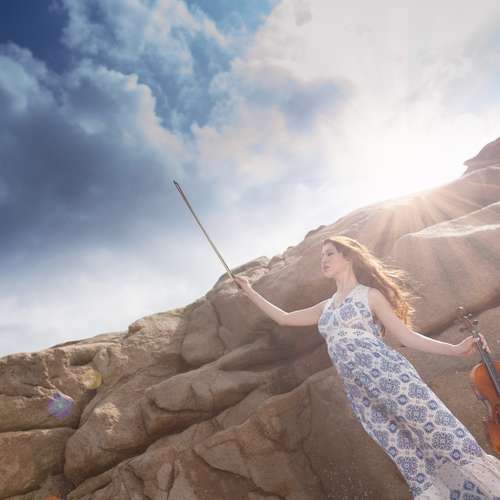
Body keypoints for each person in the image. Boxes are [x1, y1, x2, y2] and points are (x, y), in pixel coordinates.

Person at [234, 235, 500, 499]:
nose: (323, 260)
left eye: (330, 253)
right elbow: (285, 318)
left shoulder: (369, 296)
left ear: (348, 256)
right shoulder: (325, 307)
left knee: (441, 435)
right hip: (362, 395)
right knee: (409, 458)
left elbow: (406, 336)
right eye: (321, 255)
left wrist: (454, 349)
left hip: (392, 379)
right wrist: (249, 291)